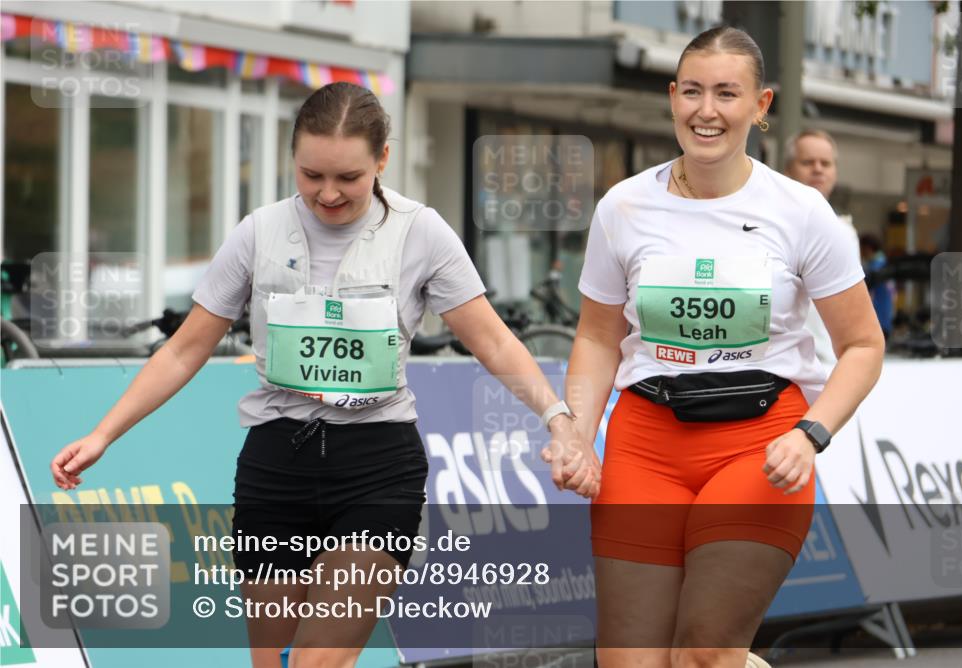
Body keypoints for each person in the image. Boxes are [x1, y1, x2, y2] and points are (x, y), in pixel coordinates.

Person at [50, 82, 596, 668]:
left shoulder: (423, 233)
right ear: (292, 158)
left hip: (376, 466)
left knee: (316, 661)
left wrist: (559, 420)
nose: (327, 194)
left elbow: (491, 339)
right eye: (311, 175)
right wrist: (103, 434)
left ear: (382, 160)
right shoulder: (258, 231)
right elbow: (184, 351)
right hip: (275, 465)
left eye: (349, 178)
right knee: (275, 663)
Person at [546, 26, 884, 668]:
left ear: (761, 106)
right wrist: (577, 433)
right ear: (672, 98)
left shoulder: (802, 212)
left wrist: (811, 432)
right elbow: (596, 335)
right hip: (645, 441)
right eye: (693, 91)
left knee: (702, 654)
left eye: (727, 93)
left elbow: (864, 345)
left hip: (761, 446)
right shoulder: (623, 207)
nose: (707, 110)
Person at [784, 129, 860, 367]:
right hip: (782, 372)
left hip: (831, 367)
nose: (818, 169)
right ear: (787, 169)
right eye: (807, 162)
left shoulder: (846, 232)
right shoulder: (769, 225)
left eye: (825, 163)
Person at [859, 233, 895, 340]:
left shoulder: (876, 267)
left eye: (861, 248)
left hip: (878, 317)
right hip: (885, 316)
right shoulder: (884, 263)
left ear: (867, 248)